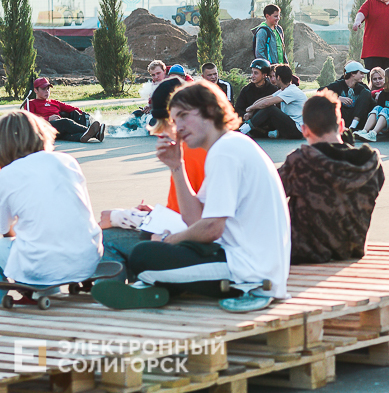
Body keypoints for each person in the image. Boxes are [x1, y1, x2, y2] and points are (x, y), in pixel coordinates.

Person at [92, 81, 291, 311]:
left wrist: (168, 241)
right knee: (154, 249)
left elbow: (210, 229)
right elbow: (195, 220)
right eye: (175, 121)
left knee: (143, 255)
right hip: (249, 262)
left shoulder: (225, 152)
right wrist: (177, 166)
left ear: (211, 110)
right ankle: (152, 286)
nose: (179, 127)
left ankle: (151, 285)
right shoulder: (229, 145)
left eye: (184, 115)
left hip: (250, 271)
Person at [99, 77, 207, 282]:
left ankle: (115, 286)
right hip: (198, 239)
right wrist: (153, 214)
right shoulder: (204, 145)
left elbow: (191, 222)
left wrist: (125, 218)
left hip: (194, 246)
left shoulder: (189, 151)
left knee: (107, 235)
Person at [278, 90, 385, 263]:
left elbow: (270, 195)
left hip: (305, 254)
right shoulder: (370, 164)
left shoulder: (299, 163)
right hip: (352, 249)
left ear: (304, 130)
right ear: (341, 126)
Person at [0, 110, 103, 287]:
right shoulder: (67, 161)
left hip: (42, 269)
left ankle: (8, 299)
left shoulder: (7, 174)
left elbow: (5, 229)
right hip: (88, 259)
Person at [239, 64, 306, 140]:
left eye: (274, 76)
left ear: (278, 78)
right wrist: (251, 109)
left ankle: (243, 130)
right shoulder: (284, 90)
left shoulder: (291, 91)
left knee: (270, 109)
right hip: (293, 126)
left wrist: (250, 108)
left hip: (298, 131)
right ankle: (254, 130)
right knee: (268, 108)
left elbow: (266, 103)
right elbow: (265, 99)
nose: (273, 79)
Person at [27, 77, 103, 143]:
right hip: (45, 127)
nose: (47, 91)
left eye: (48, 89)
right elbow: (29, 120)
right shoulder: (31, 103)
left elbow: (71, 108)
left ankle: (83, 136)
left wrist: (85, 115)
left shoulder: (54, 102)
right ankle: (93, 132)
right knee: (65, 122)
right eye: (43, 89)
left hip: (59, 130)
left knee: (74, 114)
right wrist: (48, 119)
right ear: (36, 90)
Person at [354, 67, 389, 142]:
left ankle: (373, 134)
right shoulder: (384, 93)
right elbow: (378, 110)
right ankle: (365, 131)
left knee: (386, 110)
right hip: (383, 125)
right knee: (378, 108)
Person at [319, 61, 373, 131]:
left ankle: (353, 126)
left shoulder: (363, 88)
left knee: (366, 93)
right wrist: (337, 98)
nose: (363, 76)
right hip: (342, 117)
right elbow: (320, 91)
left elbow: (372, 103)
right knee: (328, 100)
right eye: (361, 73)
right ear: (353, 74)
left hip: (358, 119)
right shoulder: (338, 84)